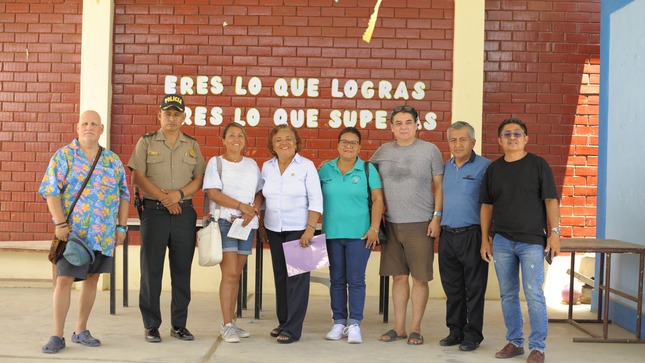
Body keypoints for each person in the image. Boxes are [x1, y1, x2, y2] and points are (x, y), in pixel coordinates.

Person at [39, 110, 130, 354]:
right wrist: (59, 224)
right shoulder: (64, 156)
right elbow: (51, 191)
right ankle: (57, 334)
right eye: (85, 123)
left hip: (102, 235)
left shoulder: (112, 160)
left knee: (92, 279)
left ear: (101, 129)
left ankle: (81, 330)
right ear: (77, 127)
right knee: (64, 280)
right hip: (73, 235)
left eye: (94, 124)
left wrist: (121, 227)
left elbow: (124, 195)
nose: (89, 127)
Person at [479, 118, 560, 363]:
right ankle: (515, 342)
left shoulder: (538, 165)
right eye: (506, 134)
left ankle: (538, 347)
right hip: (502, 240)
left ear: (525, 138)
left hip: (532, 241)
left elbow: (550, 200)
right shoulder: (494, 169)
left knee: (534, 293)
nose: (512, 137)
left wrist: (555, 233)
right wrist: (485, 239)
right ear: (499, 140)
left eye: (517, 133)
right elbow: (486, 205)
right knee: (508, 294)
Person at [128, 94, 206, 343]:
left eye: (176, 114)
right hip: (155, 212)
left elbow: (199, 179)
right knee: (151, 271)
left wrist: (179, 195)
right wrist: (165, 199)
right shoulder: (146, 141)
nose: (171, 118)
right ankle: (151, 325)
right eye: (167, 113)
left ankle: (179, 325)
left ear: (183, 117)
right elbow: (138, 177)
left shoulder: (192, 145)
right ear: (159, 115)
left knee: (181, 271)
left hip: (183, 211)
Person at [371, 105, 444, 345]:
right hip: (391, 224)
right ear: (391, 127)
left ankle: (415, 328)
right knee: (399, 277)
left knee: (420, 279)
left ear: (417, 125)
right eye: (398, 123)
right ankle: (399, 327)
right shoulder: (381, 152)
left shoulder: (430, 151)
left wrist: (436, 216)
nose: (403, 127)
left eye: (408, 122)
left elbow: (439, 186)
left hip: (421, 223)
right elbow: (368, 182)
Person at [318, 127, 384, 344]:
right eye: (344, 142)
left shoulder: (367, 169)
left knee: (355, 280)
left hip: (360, 235)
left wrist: (374, 228)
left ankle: (354, 323)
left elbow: (377, 200)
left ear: (359, 147)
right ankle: (338, 322)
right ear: (338, 145)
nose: (348, 146)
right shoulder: (325, 169)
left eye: (353, 143)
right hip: (332, 234)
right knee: (336, 280)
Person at [259, 124, 323, 344]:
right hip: (274, 228)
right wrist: (260, 225)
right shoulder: (267, 167)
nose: (284, 143)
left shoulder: (307, 166)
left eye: (289, 139)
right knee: (280, 277)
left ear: (296, 143)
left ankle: (293, 329)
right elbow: (263, 198)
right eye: (278, 139)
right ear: (272, 144)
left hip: (299, 229)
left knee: (297, 278)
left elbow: (316, 200)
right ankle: (284, 322)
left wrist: (310, 228)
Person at [202, 123, 263, 343]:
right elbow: (213, 193)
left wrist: (252, 210)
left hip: (246, 225)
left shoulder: (252, 164)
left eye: (240, 135)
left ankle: (232, 323)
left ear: (245, 141)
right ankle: (226, 324)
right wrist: (241, 206)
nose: (236, 139)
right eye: (231, 135)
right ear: (224, 140)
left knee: (236, 274)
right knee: (228, 274)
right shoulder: (216, 163)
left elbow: (259, 192)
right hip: (225, 224)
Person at [438, 121, 491, 352]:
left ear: (473, 142)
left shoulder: (485, 167)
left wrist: (486, 239)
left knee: (475, 288)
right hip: (447, 235)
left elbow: (491, 204)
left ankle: (473, 335)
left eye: (463, 139)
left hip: (473, 234)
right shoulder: (445, 167)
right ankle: (455, 331)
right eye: (453, 140)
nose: (458, 144)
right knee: (453, 288)